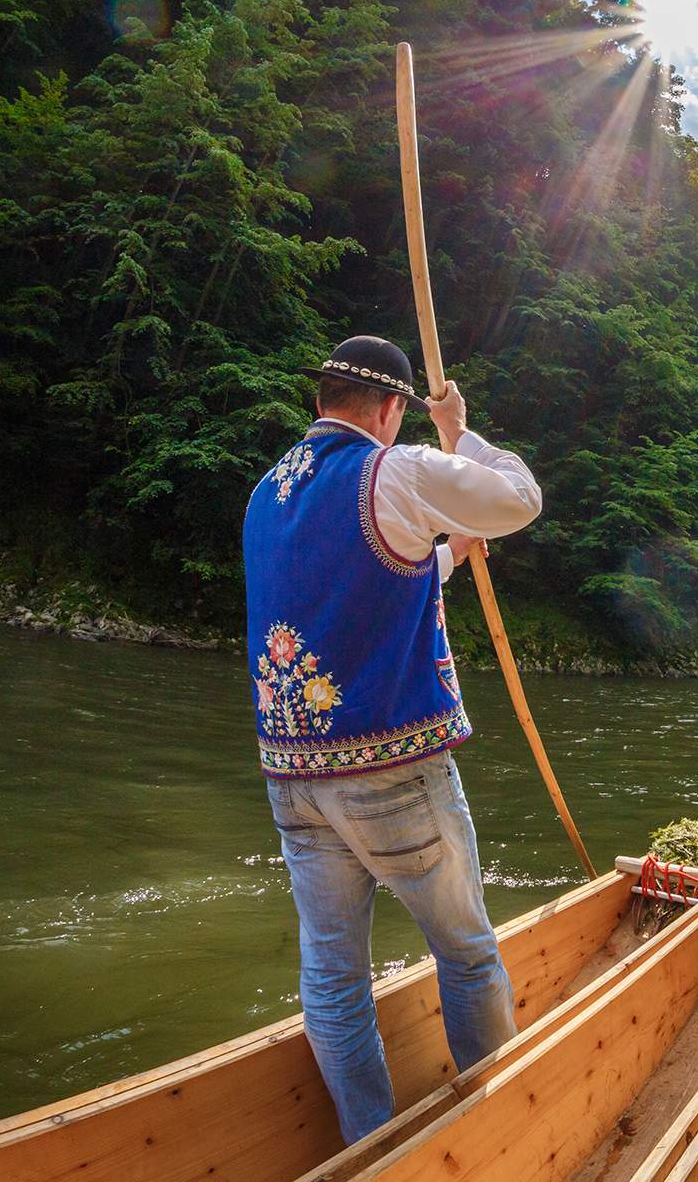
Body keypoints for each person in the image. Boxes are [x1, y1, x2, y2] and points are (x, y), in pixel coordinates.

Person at [243, 334, 543, 1142]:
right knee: (468, 953)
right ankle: (494, 1131)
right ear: (387, 411)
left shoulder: (266, 494)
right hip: (393, 776)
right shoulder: (395, 469)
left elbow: (354, 594)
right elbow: (519, 499)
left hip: (295, 786)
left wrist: (445, 556)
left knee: (335, 984)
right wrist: (459, 435)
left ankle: (368, 1146)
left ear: (320, 401)